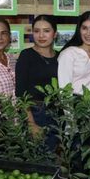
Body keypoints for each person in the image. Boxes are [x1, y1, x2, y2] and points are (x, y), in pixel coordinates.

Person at [15, 15, 58, 152]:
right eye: (37, 31)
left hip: (56, 114)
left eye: (46, 31)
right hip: (34, 113)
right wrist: (31, 123)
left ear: (55, 34)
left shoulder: (61, 56)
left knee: (53, 157)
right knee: (37, 157)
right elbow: (20, 93)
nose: (41, 35)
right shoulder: (26, 55)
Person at [58, 11, 90, 95]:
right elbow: (64, 90)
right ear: (79, 30)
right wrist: (69, 108)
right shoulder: (69, 54)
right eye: (84, 28)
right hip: (76, 104)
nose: (88, 33)